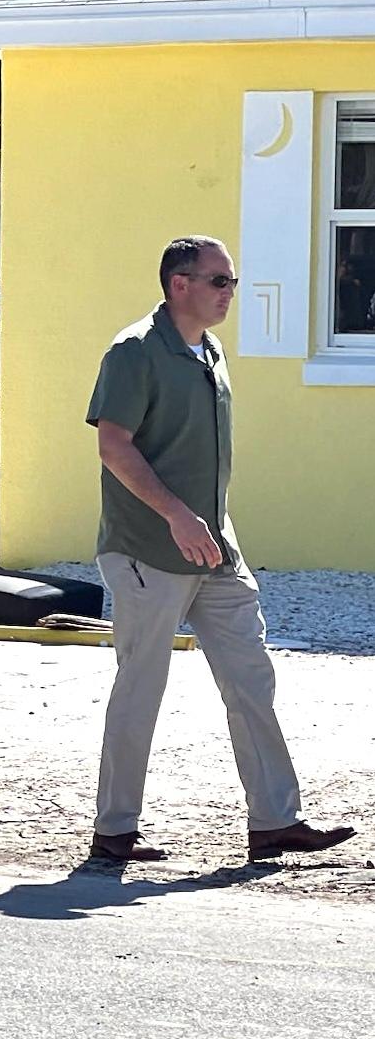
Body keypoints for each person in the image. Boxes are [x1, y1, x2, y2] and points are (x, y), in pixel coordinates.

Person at [85, 236, 355, 865]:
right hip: (147, 549)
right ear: (179, 284)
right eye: (219, 281)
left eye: (230, 281)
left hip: (215, 549)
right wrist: (178, 516)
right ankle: (115, 831)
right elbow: (114, 447)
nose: (230, 291)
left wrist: (210, 526)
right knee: (141, 687)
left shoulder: (209, 350)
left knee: (251, 680)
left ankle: (275, 821)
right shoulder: (133, 353)